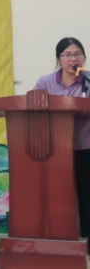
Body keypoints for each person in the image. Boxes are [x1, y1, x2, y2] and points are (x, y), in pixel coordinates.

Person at [32, 37, 90, 249]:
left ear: (84, 57)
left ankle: (88, 243)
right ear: (59, 59)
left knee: (87, 196)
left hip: (85, 147)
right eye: (67, 55)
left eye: (77, 54)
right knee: (58, 196)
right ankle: (58, 242)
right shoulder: (45, 82)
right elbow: (33, 108)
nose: (73, 58)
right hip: (54, 151)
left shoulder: (88, 80)